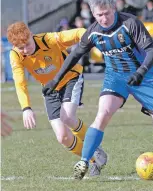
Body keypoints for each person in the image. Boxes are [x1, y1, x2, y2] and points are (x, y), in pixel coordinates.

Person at [42, 0, 153, 179]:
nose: (103, 19)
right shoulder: (93, 32)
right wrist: (56, 80)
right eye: (99, 15)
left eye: (106, 13)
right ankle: (85, 161)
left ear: (114, 8)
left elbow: (152, 51)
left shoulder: (130, 23)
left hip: (145, 77)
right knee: (102, 114)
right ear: (93, 14)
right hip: (115, 78)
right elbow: (74, 56)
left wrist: (141, 72)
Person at [7, 22, 107, 176]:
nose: (26, 50)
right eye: (21, 48)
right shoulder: (15, 55)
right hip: (49, 88)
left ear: (31, 34)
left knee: (67, 117)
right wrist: (26, 108)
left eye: (27, 44)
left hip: (70, 77)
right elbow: (20, 83)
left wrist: (98, 41)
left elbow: (79, 32)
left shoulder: (49, 39)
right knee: (62, 136)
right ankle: (95, 159)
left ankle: (92, 148)